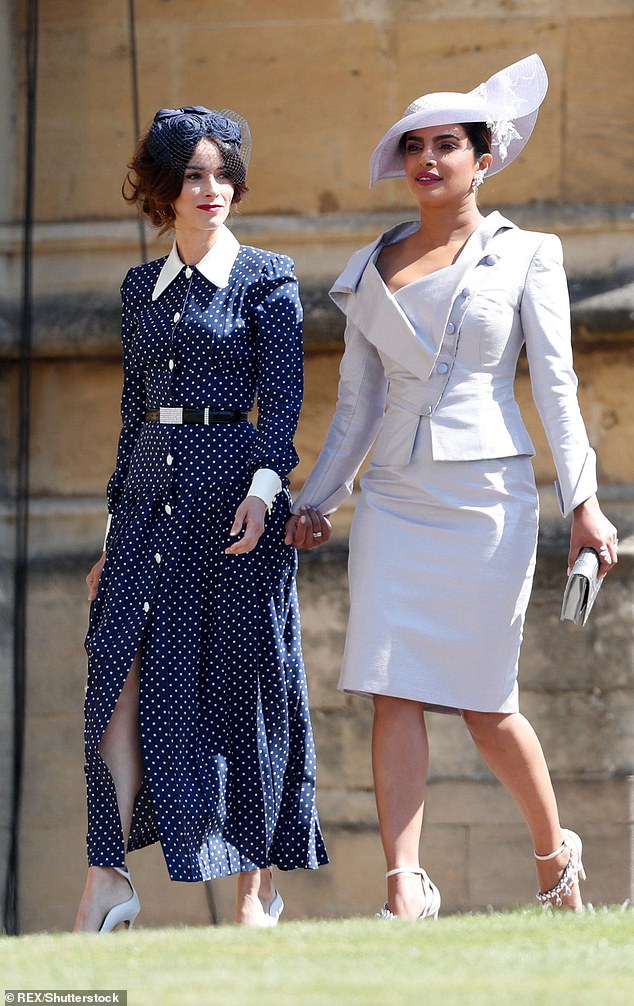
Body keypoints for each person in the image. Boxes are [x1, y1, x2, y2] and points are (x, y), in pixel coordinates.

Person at [285, 54, 618, 919]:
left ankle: (556, 860)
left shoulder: (529, 255)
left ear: (484, 157)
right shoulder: (367, 267)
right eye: (415, 147)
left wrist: (583, 504)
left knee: (483, 705)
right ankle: (405, 887)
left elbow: (556, 388)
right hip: (394, 496)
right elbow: (354, 407)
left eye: (446, 145)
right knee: (390, 686)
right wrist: (312, 501)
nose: (427, 160)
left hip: (487, 501)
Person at [73, 105, 328, 933]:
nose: (212, 188)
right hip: (148, 505)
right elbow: (130, 419)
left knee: (243, 688)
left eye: (223, 173)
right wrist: (112, 542)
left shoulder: (269, 277)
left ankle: (255, 895)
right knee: (113, 678)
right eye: (193, 174)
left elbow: (282, 407)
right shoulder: (136, 289)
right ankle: (107, 875)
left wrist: (263, 491)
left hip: (235, 505)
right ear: (163, 188)